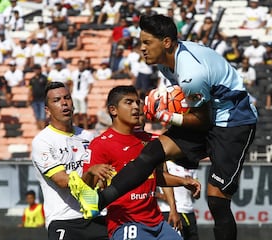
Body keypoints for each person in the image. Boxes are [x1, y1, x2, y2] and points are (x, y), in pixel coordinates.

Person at [69, 15, 257, 240]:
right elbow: (192, 104)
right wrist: (168, 103)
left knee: (217, 198)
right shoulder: (166, 64)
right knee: (151, 153)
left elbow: (202, 121)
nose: (142, 48)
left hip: (233, 123)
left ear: (166, 43)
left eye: (147, 42)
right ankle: (98, 201)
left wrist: (163, 114)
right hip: (208, 113)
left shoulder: (191, 74)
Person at [81, 85, 200, 239]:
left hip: (157, 223)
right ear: (113, 110)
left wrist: (183, 181)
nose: (136, 107)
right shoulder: (100, 144)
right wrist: (91, 173)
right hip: (125, 223)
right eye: (129, 102)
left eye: (138, 102)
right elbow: (84, 191)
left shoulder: (151, 141)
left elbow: (154, 177)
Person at [31, 81, 109, 240]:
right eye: (57, 100)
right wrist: (91, 173)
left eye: (67, 98)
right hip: (64, 220)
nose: (64, 103)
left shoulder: (88, 137)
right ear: (47, 110)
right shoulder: (43, 141)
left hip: (96, 216)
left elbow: (101, 177)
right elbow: (63, 181)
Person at [156, 161, 200, 240]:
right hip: (169, 211)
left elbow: (196, 196)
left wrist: (193, 189)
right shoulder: (166, 163)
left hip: (189, 211)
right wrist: (160, 196)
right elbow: (153, 188)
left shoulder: (191, 165)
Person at [71, 60, 95, 129]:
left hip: (83, 94)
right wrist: (71, 92)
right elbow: (72, 83)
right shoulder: (74, 73)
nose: (80, 66)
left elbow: (91, 84)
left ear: (84, 65)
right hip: (75, 94)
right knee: (76, 113)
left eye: (82, 65)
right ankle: (76, 129)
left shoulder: (87, 73)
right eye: (79, 65)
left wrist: (87, 94)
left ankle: (86, 129)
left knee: (84, 113)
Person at [28, 64, 48, 130]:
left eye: (37, 69)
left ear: (40, 70)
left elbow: (48, 88)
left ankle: (42, 131)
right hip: (35, 100)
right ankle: (39, 131)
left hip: (42, 100)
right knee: (37, 117)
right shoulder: (32, 79)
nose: (36, 71)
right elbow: (30, 89)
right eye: (35, 69)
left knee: (42, 117)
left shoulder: (44, 78)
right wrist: (29, 98)